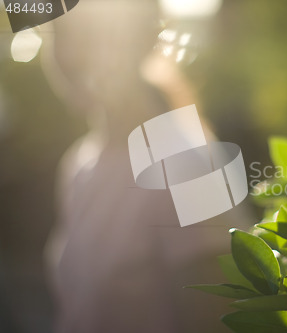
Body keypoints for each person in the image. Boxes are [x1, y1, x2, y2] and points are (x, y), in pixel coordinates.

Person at [42, 1, 251, 332]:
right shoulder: (78, 166)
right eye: (60, 35)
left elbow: (218, 317)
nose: (71, 55)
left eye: (93, 35)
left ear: (141, 42)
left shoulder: (190, 165)